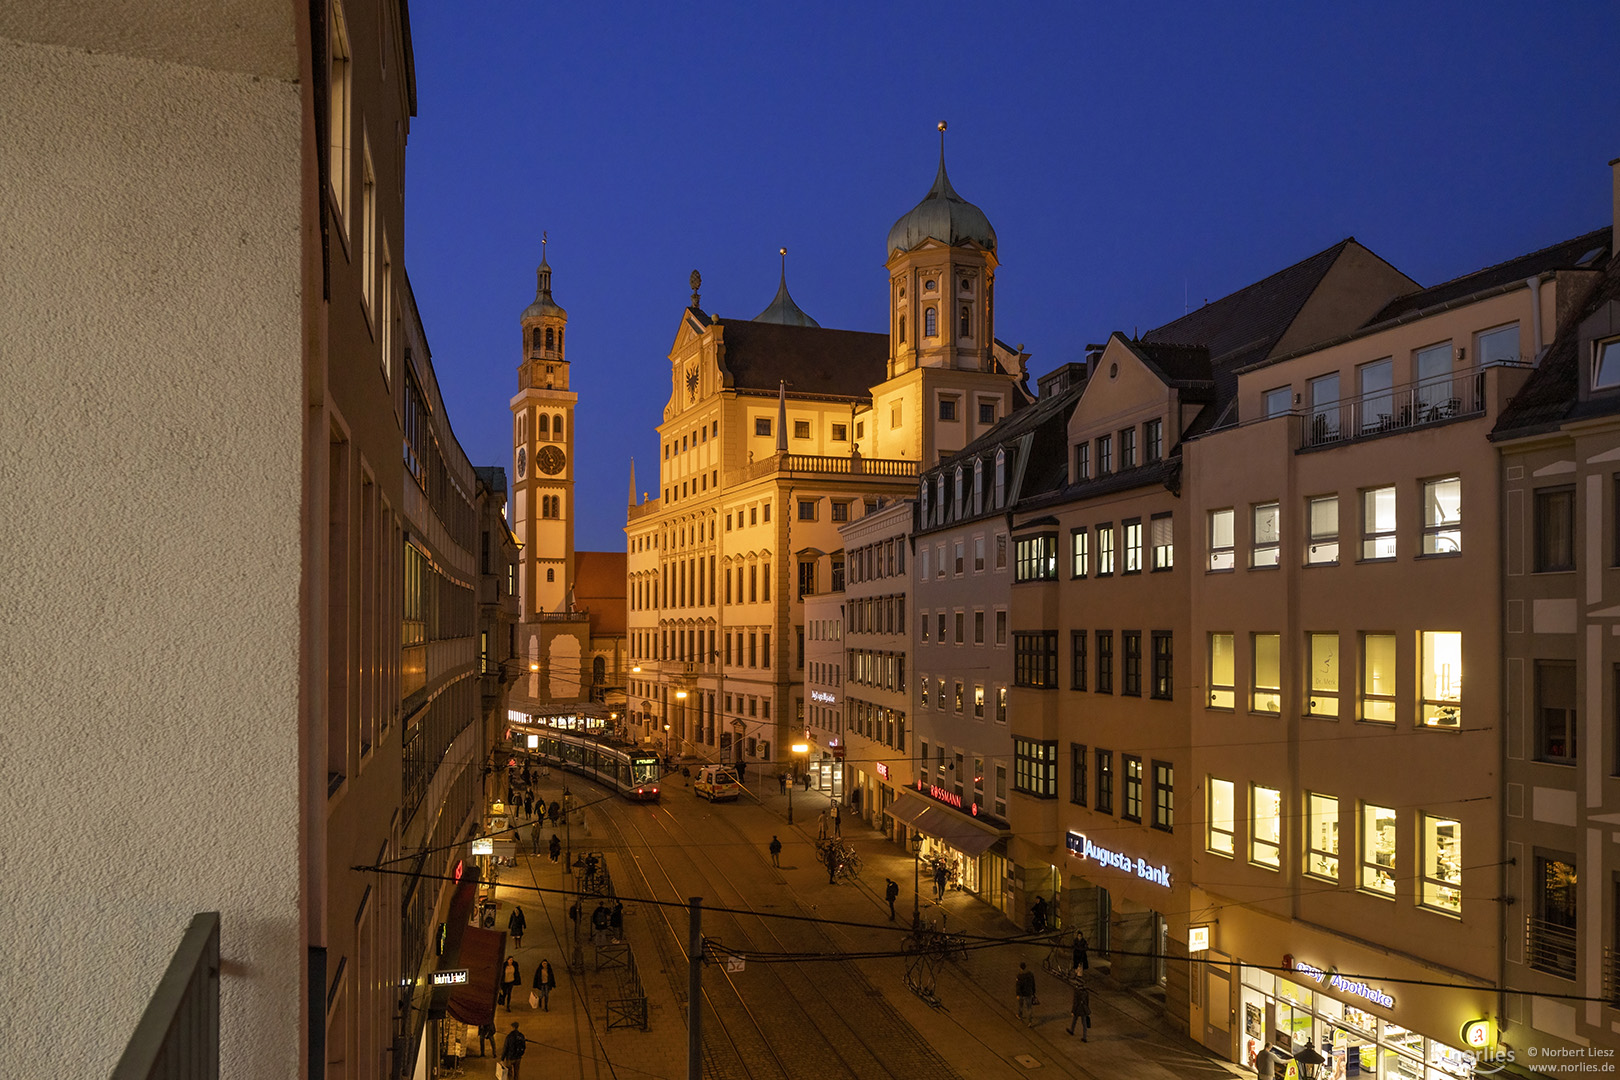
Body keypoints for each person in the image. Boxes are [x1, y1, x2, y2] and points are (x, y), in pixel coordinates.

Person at [1015, 962, 1038, 1026]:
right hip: (1029, 993)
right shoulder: (1030, 974)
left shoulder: (1019, 975)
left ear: (1020, 968)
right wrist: (1033, 991)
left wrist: (1017, 994)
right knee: (1029, 1008)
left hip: (1022, 994)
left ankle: (1020, 1015)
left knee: (1020, 1005)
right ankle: (1030, 1022)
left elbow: (1018, 986)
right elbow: (1033, 983)